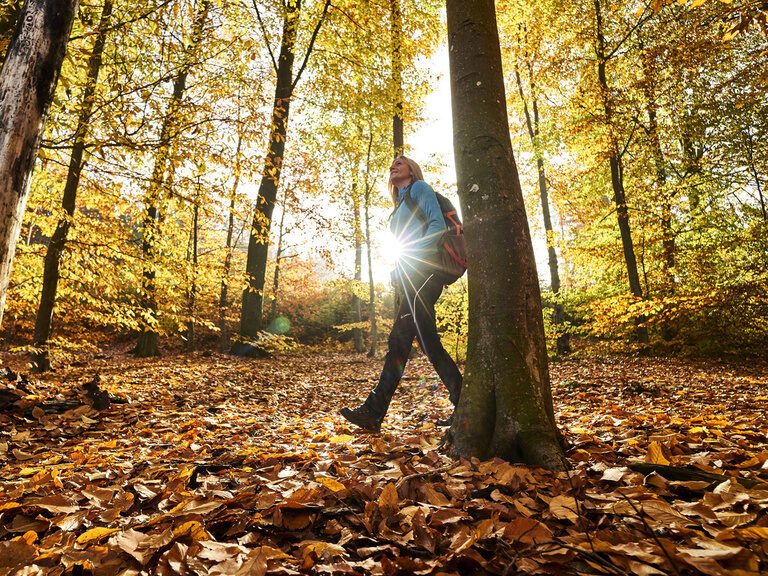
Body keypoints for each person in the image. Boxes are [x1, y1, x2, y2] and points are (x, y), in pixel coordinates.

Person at [340, 156, 462, 433]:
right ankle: (463, 403)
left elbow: (436, 226)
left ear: (411, 170)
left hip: (425, 271)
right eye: (392, 165)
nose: (393, 167)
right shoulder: (399, 205)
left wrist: (415, 259)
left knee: (401, 340)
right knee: (421, 342)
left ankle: (374, 410)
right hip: (410, 275)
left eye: (400, 163)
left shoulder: (419, 188)